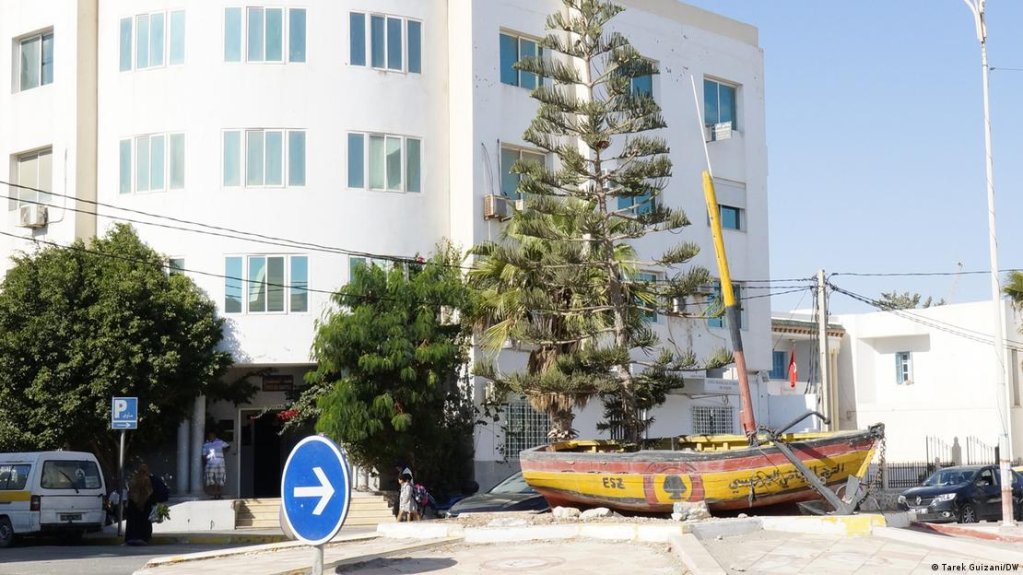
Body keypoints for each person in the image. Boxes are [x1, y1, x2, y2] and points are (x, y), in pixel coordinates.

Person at [124, 464, 169, 545]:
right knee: (144, 522)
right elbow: (150, 492)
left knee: (134, 522)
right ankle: (143, 538)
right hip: (146, 505)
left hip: (135, 505)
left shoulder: (135, 480)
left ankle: (133, 538)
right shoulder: (150, 479)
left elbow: (132, 494)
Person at [202, 431, 231, 499]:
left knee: (220, 477)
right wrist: (206, 461)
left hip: (220, 461)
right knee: (209, 478)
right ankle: (215, 493)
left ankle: (219, 494)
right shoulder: (206, 444)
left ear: (215, 435)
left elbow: (228, 446)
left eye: (212, 435)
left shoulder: (220, 442)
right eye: (209, 435)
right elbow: (203, 455)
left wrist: (224, 451)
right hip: (210, 462)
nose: (211, 436)